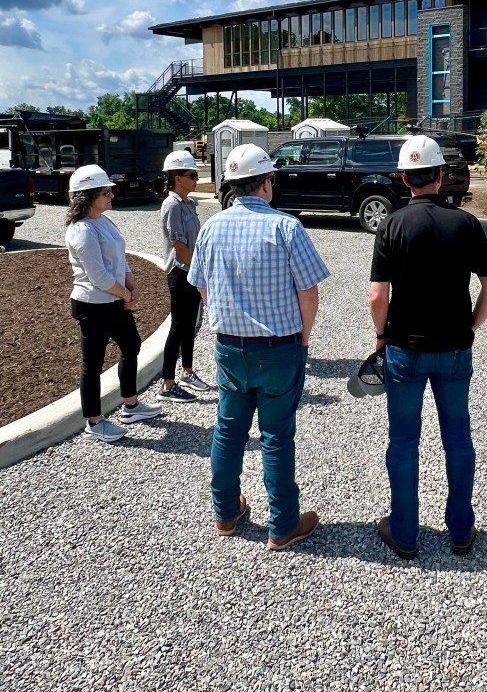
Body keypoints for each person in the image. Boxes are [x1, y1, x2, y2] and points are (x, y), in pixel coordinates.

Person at [189, 143, 330, 545]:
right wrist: (304, 337)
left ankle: (226, 513)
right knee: (277, 435)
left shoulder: (211, 227)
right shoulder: (286, 227)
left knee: (228, 431)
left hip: (230, 347)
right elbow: (309, 291)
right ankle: (283, 524)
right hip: (279, 346)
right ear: (266, 183)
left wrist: (224, 315)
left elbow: (200, 284)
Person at [369, 135, 487, 559]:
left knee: (404, 441)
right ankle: (461, 531)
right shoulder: (464, 224)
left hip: (405, 349)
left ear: (404, 178)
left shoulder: (391, 224)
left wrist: (381, 338)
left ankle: (405, 534)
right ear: (441, 177)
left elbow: (377, 296)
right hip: (454, 348)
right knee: (458, 438)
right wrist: (471, 325)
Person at [66, 165, 162, 443]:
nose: (111, 196)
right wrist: (125, 294)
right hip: (93, 304)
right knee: (92, 363)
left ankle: (130, 406)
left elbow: (121, 259)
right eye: (105, 192)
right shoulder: (82, 230)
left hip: (114, 299)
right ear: (87, 196)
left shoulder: (105, 222)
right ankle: (94, 422)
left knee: (131, 345)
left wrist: (130, 285)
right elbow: (98, 277)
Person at [158, 150, 210, 403]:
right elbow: (178, 245)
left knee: (190, 325)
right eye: (192, 175)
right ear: (178, 178)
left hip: (192, 272)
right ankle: (168, 385)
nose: (196, 179)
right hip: (181, 274)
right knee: (178, 327)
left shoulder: (188, 204)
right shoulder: (172, 205)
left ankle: (187, 372)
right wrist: (200, 270)